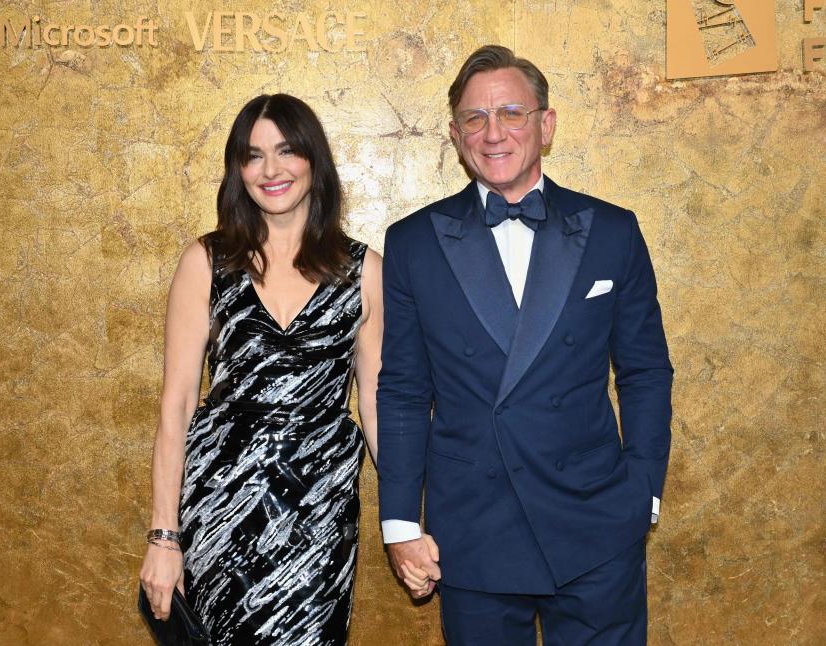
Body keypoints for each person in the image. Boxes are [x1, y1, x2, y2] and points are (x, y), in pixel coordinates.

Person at [377, 45, 674, 645]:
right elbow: (405, 391)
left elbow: (645, 371)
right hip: (474, 531)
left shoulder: (613, 230)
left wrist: (642, 491)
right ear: (456, 135)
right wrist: (401, 521)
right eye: (474, 118)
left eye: (511, 112)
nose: (493, 133)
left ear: (546, 124)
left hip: (596, 523)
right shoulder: (413, 243)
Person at [139, 93, 384, 646]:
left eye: (286, 151)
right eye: (253, 157)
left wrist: (408, 519)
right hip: (219, 506)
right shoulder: (207, 262)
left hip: (318, 513)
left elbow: (375, 406)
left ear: (313, 161)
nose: (270, 170)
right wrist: (163, 535)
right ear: (238, 171)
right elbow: (175, 405)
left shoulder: (364, 271)